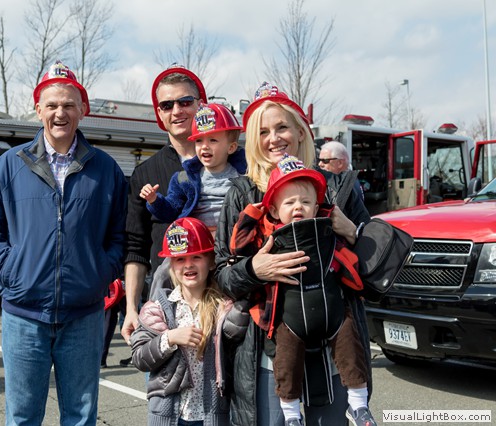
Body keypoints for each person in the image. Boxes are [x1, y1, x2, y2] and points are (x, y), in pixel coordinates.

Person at [0, 60, 127, 426]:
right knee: (22, 416)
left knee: (80, 417)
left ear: (82, 110)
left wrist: (100, 274)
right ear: (38, 109)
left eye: (69, 105)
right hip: (24, 315)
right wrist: (12, 272)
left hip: (84, 315)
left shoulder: (105, 169)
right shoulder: (9, 166)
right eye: (52, 105)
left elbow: (121, 233)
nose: (60, 113)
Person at [215, 82, 371, 426]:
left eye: (282, 127)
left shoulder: (338, 188)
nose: (274, 139)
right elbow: (222, 276)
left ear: (301, 131)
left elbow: (375, 270)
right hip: (269, 349)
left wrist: (352, 231)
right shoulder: (242, 193)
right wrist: (254, 269)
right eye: (263, 132)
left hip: (336, 347)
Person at [230, 154, 376, 426]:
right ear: (274, 210)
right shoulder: (268, 234)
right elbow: (237, 246)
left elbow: (350, 260)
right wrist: (252, 214)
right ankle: (291, 416)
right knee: (286, 363)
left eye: (306, 202)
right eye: (289, 202)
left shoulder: (327, 229)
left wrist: (350, 252)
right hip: (289, 319)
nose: (298, 206)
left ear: (317, 206)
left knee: (351, 350)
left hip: (332, 312)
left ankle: (358, 405)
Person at [121, 64, 207, 344]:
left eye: (185, 102)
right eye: (167, 105)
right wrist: (131, 308)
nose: (177, 111)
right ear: (159, 113)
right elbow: (136, 246)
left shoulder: (228, 165)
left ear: (201, 105)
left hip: (221, 301)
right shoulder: (145, 173)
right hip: (166, 307)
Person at [130, 217, 230, 426]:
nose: (188, 265)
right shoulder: (157, 308)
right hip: (170, 416)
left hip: (211, 415)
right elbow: (140, 358)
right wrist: (170, 338)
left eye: (197, 257)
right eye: (180, 259)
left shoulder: (224, 308)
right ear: (171, 265)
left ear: (211, 261)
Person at [140, 102, 247, 235]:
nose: (204, 146)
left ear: (231, 147)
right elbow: (170, 212)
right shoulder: (184, 179)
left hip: (234, 240)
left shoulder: (245, 176)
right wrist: (154, 200)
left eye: (213, 140)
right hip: (196, 242)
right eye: (199, 141)